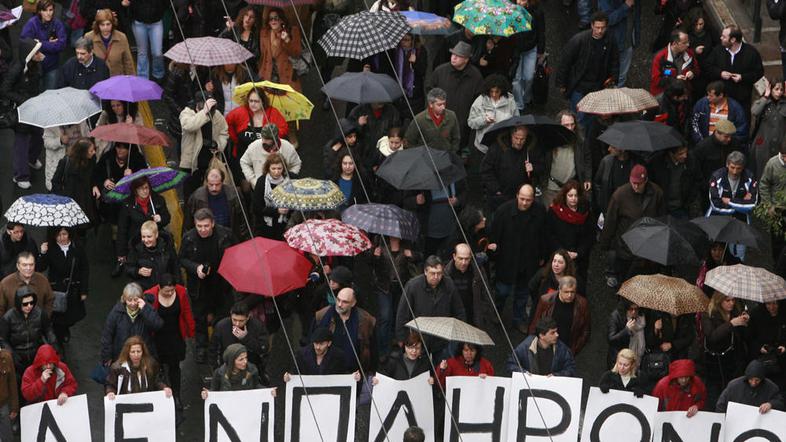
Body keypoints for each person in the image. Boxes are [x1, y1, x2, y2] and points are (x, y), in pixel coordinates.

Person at [488, 184, 547, 332]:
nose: (525, 203)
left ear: (533, 198)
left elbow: (543, 235)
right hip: (507, 260)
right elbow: (494, 236)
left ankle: (518, 318)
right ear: (517, 196)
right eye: (522, 199)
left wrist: (542, 255)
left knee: (523, 292)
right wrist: (494, 254)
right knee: (502, 291)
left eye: (528, 200)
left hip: (528, 261)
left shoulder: (539, 211)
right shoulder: (503, 211)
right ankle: (497, 311)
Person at [179, 208, 235, 363]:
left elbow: (235, 253)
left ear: (213, 224)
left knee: (222, 318)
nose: (202, 230)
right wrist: (195, 268)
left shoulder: (225, 235)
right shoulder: (189, 238)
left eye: (206, 226)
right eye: (199, 226)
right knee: (199, 319)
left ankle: (220, 348)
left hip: (221, 284)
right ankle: (201, 348)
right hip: (199, 287)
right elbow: (182, 259)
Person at [599, 164, 666, 287]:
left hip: (647, 247)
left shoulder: (657, 193)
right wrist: (605, 243)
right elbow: (611, 221)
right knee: (625, 281)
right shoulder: (620, 195)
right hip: (626, 247)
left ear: (646, 181)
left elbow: (662, 219)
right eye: (633, 183)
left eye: (639, 183)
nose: (635, 186)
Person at [396, 256, 465, 358]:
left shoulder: (449, 284)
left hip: (442, 338)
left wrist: (458, 334)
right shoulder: (413, 286)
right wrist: (401, 338)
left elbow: (459, 310)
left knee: (441, 370)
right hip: (419, 339)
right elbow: (402, 313)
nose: (436, 277)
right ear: (425, 271)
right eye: (433, 273)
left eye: (439, 273)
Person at [145, 274, 194, 410]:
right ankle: (161, 395)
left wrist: (191, 330)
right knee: (157, 368)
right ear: (159, 288)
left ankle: (176, 396)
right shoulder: (149, 295)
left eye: (172, 290)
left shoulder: (181, 292)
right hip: (157, 338)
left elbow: (186, 312)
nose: (170, 293)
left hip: (175, 336)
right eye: (166, 291)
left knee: (174, 367)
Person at [556, 12, 619, 118]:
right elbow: (565, 62)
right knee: (579, 117)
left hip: (598, 85)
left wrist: (613, 79)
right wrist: (561, 83)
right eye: (597, 27)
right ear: (591, 25)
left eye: (602, 28)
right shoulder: (579, 40)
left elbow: (614, 61)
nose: (600, 31)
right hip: (580, 86)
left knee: (592, 117)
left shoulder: (610, 40)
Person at [2, 39, 45, 190]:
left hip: (34, 108)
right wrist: (24, 100)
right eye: (37, 52)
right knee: (21, 143)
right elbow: (5, 89)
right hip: (21, 112)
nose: (40, 54)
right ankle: (20, 175)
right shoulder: (17, 68)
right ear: (30, 54)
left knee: (39, 134)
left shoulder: (34, 65)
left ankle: (31, 158)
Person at [427, 41, 484, 153]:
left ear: (466, 59)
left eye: (458, 56)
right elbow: (429, 90)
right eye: (453, 54)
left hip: (462, 122)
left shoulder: (475, 76)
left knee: (456, 151)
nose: (454, 58)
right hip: (440, 119)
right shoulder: (440, 71)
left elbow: (479, 100)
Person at [225, 88, 288, 184]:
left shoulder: (272, 112)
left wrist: (273, 137)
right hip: (242, 157)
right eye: (251, 101)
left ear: (263, 101)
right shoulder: (241, 111)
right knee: (245, 187)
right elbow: (227, 122)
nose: (253, 104)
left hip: (263, 159)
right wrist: (235, 138)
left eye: (256, 101)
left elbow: (284, 128)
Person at [37, 227, 88, 345]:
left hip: (73, 289)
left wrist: (84, 290)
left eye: (64, 234)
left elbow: (84, 268)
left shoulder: (77, 248)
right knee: (57, 316)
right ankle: (59, 335)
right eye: (58, 235)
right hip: (57, 289)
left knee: (71, 316)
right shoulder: (51, 249)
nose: (62, 238)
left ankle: (64, 329)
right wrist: (43, 253)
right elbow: (40, 267)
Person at [702, 291, 749, 409]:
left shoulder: (736, 313)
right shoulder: (709, 314)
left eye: (733, 300)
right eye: (727, 300)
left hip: (734, 360)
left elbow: (745, 337)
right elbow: (711, 336)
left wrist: (745, 322)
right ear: (719, 301)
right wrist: (731, 324)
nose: (731, 303)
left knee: (734, 392)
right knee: (716, 394)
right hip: (716, 362)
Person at [314, 287, 377, 373]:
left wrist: (372, 373)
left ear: (353, 303)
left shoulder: (365, 320)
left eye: (345, 302)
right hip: (327, 371)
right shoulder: (322, 316)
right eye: (338, 300)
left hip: (355, 373)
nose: (339, 304)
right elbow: (311, 343)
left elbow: (372, 348)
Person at [116, 176, 171, 274]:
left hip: (156, 244)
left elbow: (167, 218)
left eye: (146, 187)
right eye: (141, 188)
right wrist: (121, 252)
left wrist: (161, 219)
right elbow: (122, 229)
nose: (144, 191)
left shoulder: (158, 199)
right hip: (137, 244)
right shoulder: (127, 204)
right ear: (135, 190)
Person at [480, 125, 540, 213]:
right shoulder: (497, 147)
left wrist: (533, 168)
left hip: (522, 197)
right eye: (516, 138)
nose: (519, 142)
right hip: (500, 196)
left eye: (522, 139)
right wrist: (496, 189)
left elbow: (541, 168)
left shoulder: (531, 148)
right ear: (511, 135)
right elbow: (485, 170)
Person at [179, 92, 229, 198]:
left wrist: (218, 145)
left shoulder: (217, 114)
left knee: (209, 196)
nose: (211, 110)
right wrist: (204, 112)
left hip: (210, 162)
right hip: (191, 164)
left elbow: (224, 132)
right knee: (191, 197)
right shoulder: (186, 113)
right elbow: (189, 126)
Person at [706, 24, 764, 114]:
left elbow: (758, 72)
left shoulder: (751, 53)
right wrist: (720, 73)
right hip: (722, 100)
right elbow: (708, 67)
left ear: (733, 40)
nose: (721, 38)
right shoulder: (718, 51)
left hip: (742, 101)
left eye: (724, 37)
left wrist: (742, 77)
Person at [100, 282, 163, 365]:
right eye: (129, 300)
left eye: (136, 300)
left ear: (141, 298)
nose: (133, 303)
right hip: (121, 355)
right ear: (124, 299)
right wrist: (107, 356)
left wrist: (145, 310)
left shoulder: (147, 308)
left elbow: (157, 325)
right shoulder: (116, 312)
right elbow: (107, 335)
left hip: (142, 356)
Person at [1, 286, 58, 376]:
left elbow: (48, 330)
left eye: (32, 302)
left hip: (37, 355)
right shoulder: (8, 317)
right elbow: (3, 339)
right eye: (25, 304)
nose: (29, 306)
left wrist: (53, 345)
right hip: (18, 357)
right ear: (18, 303)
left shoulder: (40, 313)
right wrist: (12, 355)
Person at [540, 110, 591, 206]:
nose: (570, 128)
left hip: (570, 187)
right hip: (551, 187)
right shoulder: (549, 141)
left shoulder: (580, 141)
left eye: (572, 124)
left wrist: (587, 178)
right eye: (566, 125)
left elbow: (587, 159)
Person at [528, 276, 590, 355]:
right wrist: (533, 344)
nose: (569, 295)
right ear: (559, 289)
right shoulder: (546, 300)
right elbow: (535, 324)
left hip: (566, 348)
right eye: (566, 292)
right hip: (546, 345)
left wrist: (574, 349)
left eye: (572, 292)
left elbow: (585, 330)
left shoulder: (582, 304)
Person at [186, 168, 249, 241]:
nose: (214, 188)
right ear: (206, 182)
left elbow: (243, 221)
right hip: (206, 237)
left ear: (222, 182)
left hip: (229, 237)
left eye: (217, 184)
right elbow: (188, 223)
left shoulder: (234, 194)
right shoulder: (197, 197)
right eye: (211, 184)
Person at [547, 181, 594, 278]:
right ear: (565, 196)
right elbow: (549, 235)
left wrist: (578, 253)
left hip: (580, 259)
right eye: (570, 195)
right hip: (559, 256)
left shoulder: (586, 211)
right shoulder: (555, 211)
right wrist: (563, 252)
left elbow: (590, 235)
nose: (573, 199)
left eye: (576, 196)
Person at [51, 137, 100, 226]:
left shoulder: (92, 160)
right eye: (91, 151)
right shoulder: (66, 162)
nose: (94, 152)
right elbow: (55, 181)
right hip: (71, 203)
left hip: (87, 202)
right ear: (83, 153)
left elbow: (94, 176)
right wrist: (63, 197)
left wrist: (94, 185)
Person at [20, 0, 66, 90]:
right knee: (35, 94)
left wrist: (39, 44)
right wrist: (48, 44)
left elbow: (62, 45)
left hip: (52, 67)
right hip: (35, 67)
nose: (48, 13)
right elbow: (24, 42)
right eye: (45, 10)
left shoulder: (57, 24)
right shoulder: (32, 23)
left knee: (50, 95)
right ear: (39, 11)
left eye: (50, 10)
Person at [105, 336, 172, 398]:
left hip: (146, 400)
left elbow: (157, 381)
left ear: (143, 352)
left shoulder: (151, 364)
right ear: (128, 353)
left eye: (138, 351)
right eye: (133, 352)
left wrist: (164, 387)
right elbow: (110, 384)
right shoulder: (117, 368)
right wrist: (110, 392)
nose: (136, 355)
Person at [507, 317, 577, 376]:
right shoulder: (524, 347)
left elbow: (571, 369)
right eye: (552, 333)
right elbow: (511, 365)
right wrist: (524, 373)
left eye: (556, 331)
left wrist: (556, 375)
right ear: (542, 335)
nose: (557, 335)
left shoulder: (562, 349)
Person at [444, 243, 493, 327]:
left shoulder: (478, 271)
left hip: (472, 315)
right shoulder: (446, 273)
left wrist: (484, 313)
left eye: (467, 259)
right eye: (460, 258)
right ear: (454, 256)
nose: (464, 262)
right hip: (453, 317)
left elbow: (486, 292)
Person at [467, 74, 518, 154]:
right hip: (483, 147)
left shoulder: (510, 102)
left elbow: (516, 122)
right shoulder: (480, 101)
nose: (494, 94)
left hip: (504, 146)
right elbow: (471, 122)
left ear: (502, 90)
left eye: (497, 91)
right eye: (491, 91)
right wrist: (484, 120)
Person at [209, 302, 268, 370]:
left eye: (241, 321)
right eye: (234, 320)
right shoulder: (221, 326)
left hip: (250, 368)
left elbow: (263, 348)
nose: (237, 324)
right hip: (227, 367)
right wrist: (216, 369)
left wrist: (246, 338)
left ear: (248, 317)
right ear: (231, 315)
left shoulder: (257, 326)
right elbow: (213, 349)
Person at [242, 123, 301, 189]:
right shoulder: (254, 146)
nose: (271, 151)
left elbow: (296, 164)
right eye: (265, 146)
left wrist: (288, 179)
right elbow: (244, 162)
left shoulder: (288, 147)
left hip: (284, 189)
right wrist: (253, 180)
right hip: (261, 189)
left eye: (271, 145)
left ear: (277, 140)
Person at [648, 145, 700, 218]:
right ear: (671, 154)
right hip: (662, 209)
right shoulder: (656, 163)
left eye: (686, 152)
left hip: (682, 208)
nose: (685, 156)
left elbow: (697, 182)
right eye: (680, 154)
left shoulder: (691, 161)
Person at [404, 88, 461, 154]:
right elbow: (409, 141)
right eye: (439, 105)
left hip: (445, 157)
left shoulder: (451, 116)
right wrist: (419, 155)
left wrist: (452, 153)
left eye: (444, 104)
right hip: (426, 159)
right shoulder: (419, 119)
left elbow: (456, 138)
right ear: (431, 104)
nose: (443, 107)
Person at [202, 344, 268, 400]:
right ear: (231, 361)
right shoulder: (219, 373)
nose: (245, 361)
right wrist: (208, 394)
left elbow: (256, 385)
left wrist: (268, 392)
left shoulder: (252, 370)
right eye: (241, 359)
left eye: (246, 358)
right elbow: (214, 390)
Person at [125, 221, 178, 291]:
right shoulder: (136, 249)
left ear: (156, 235)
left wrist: (177, 286)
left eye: (149, 237)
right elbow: (128, 268)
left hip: (164, 289)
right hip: (144, 289)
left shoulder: (167, 247)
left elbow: (175, 267)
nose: (146, 240)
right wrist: (138, 271)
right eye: (143, 237)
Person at [707, 151, 757, 225]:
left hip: (741, 219)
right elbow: (715, 204)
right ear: (727, 165)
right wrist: (740, 205)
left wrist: (729, 201)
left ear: (743, 167)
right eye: (732, 167)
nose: (735, 172)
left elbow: (752, 205)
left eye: (738, 168)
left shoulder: (749, 177)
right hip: (717, 217)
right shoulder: (717, 177)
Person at [258, 8, 302, 92]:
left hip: (286, 75)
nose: (273, 21)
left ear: (282, 20)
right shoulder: (264, 33)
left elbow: (297, 54)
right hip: (268, 75)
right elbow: (263, 55)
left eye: (276, 18)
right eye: (270, 19)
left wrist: (287, 40)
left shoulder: (292, 31)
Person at [716, 360, 784, 413]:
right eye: (751, 379)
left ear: (762, 379)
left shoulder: (770, 387)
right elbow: (721, 405)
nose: (753, 383)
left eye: (757, 380)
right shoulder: (734, 386)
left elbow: (780, 402)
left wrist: (771, 404)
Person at [599, 0, 640, 87]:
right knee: (608, 72)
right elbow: (608, 20)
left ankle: (618, 94)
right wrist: (626, 6)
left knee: (622, 75)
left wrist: (636, 37)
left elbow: (636, 17)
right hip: (613, 43)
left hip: (628, 42)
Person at [750, 78, 786, 179]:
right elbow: (754, 111)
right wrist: (766, 96)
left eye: (781, 90)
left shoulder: (784, 104)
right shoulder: (764, 102)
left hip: (780, 145)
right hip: (763, 145)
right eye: (776, 89)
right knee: (762, 173)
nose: (779, 92)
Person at [283, 327, 351, 380]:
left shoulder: (338, 356)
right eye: (316, 343)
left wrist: (353, 377)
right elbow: (295, 373)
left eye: (321, 344)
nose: (318, 347)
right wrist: (289, 377)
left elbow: (344, 374)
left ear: (329, 343)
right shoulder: (301, 354)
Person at [0, 252, 54, 316]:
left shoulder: (42, 280)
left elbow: (49, 301)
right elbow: (1, 308)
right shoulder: (6, 283)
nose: (28, 268)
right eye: (24, 265)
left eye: (31, 265)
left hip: (38, 324)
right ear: (18, 266)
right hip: (13, 324)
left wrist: (45, 318)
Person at [124, 0, 166, 82]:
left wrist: (159, 11)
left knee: (157, 52)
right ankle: (142, 79)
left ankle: (158, 75)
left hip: (156, 22)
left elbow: (166, 4)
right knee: (142, 52)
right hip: (139, 22)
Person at [84, 8, 134, 76]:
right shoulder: (88, 37)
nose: (105, 27)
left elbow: (128, 61)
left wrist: (131, 78)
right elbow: (85, 61)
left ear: (113, 24)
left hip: (117, 79)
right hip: (97, 79)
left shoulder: (122, 37)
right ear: (97, 25)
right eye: (102, 24)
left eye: (108, 24)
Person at [42, 122, 91, 191]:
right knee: (59, 191)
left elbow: (88, 136)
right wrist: (60, 141)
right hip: (60, 162)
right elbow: (46, 142)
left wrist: (83, 142)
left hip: (78, 161)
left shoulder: (81, 121)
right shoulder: (51, 124)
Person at [650, 29, 699, 97]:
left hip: (682, 94)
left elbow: (697, 70)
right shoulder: (660, 58)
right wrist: (674, 79)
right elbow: (656, 80)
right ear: (674, 44)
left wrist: (692, 73)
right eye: (684, 43)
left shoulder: (689, 54)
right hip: (664, 95)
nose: (688, 44)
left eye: (688, 41)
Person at [252, 154, 291, 240]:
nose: (276, 172)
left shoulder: (289, 180)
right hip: (266, 226)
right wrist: (277, 211)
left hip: (285, 224)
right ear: (268, 168)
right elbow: (256, 208)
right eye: (273, 168)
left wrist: (289, 208)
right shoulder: (262, 182)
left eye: (279, 168)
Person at [593, 144, 636, 216]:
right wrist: (602, 202)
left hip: (628, 209)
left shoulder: (635, 163)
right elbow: (597, 183)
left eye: (612, 147)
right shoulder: (606, 162)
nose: (608, 149)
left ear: (622, 149)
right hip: (610, 209)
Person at [218, 7, 260, 73]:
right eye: (246, 15)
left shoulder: (256, 35)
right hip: (231, 67)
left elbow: (256, 56)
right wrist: (228, 29)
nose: (248, 18)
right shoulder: (234, 29)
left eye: (251, 17)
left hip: (246, 71)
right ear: (243, 16)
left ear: (255, 20)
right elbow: (220, 41)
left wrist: (244, 58)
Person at [607, 298, 645, 368]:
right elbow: (611, 339)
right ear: (626, 307)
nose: (633, 312)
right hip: (620, 361)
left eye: (636, 309)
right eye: (631, 309)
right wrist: (626, 330)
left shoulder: (641, 319)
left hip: (637, 360)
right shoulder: (616, 316)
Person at [0, 347, 17, 442]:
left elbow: (12, 383)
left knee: (7, 438)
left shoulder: (6, 357)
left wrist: (14, 407)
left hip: (3, 404)